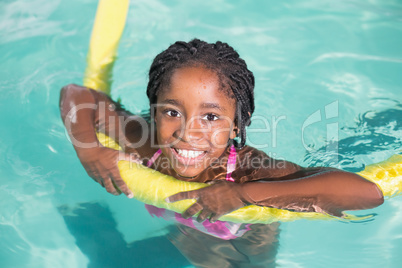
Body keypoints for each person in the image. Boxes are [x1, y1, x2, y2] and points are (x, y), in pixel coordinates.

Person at [59, 39, 384, 267]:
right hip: (186, 231)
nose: (187, 133)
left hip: (242, 248)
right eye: (172, 112)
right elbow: (77, 95)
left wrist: (243, 194)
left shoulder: (251, 169)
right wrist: (90, 151)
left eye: (211, 117)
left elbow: (366, 193)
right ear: (154, 112)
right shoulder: (144, 141)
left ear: (236, 125)